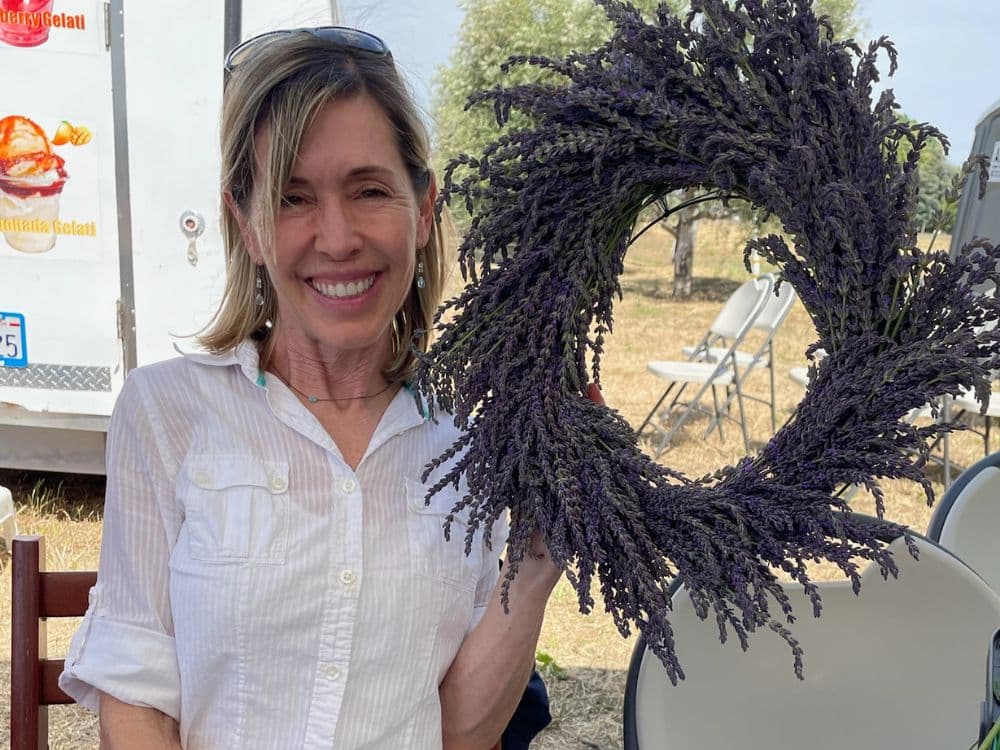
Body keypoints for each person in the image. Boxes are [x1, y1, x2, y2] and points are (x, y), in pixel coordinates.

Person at [59, 26, 578, 749]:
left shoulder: (474, 435)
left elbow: (456, 731)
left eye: (369, 190)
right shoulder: (166, 412)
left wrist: (540, 554)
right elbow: (138, 704)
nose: (336, 239)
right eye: (293, 198)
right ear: (247, 223)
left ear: (422, 209)